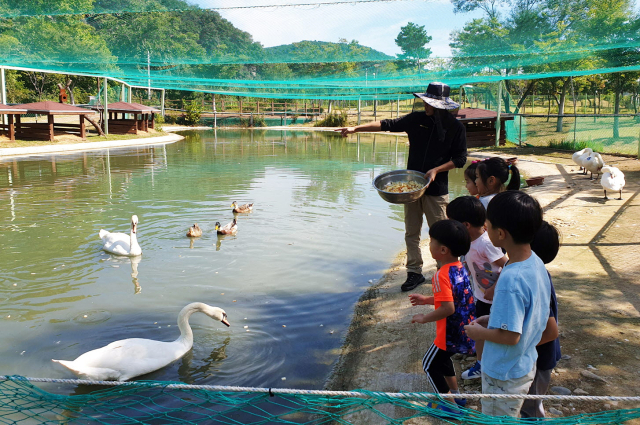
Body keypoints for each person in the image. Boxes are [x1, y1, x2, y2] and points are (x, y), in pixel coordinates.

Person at [337, 82, 467, 292]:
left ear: (440, 105)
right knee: (411, 232)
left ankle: (446, 272)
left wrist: (436, 170)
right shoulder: (417, 120)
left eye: (429, 102)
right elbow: (387, 123)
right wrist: (355, 128)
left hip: (437, 189)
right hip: (412, 188)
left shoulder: (455, 127)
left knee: (442, 233)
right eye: (424, 100)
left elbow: (461, 158)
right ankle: (414, 273)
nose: (424, 104)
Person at [463, 191, 551, 417]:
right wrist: (492, 320)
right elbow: (525, 315)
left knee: (498, 420)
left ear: (500, 233)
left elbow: (511, 337)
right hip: (524, 363)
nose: (485, 227)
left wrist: (478, 332)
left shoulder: (510, 280)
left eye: (488, 225)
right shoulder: (535, 262)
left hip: (504, 372)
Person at [409, 219, 475, 410]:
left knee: (429, 364)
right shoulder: (461, 268)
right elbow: (453, 299)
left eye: (431, 241)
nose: (429, 244)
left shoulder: (440, 275)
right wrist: (426, 300)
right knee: (443, 360)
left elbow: (448, 308)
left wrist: (424, 318)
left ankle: (449, 406)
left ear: (443, 250)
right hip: (463, 329)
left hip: (448, 334)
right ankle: (456, 397)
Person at [446, 196, 507, 381]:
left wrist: (495, 287)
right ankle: (481, 363)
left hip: (496, 298)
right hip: (481, 296)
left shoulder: (486, 243)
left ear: (465, 225)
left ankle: (497, 366)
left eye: (452, 223)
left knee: (496, 330)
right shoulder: (470, 242)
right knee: (479, 327)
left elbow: (508, 265)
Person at [521, 221, 561, 419]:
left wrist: (521, 347)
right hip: (535, 356)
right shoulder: (538, 273)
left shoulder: (536, 279)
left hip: (539, 358)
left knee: (531, 409)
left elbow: (551, 331)